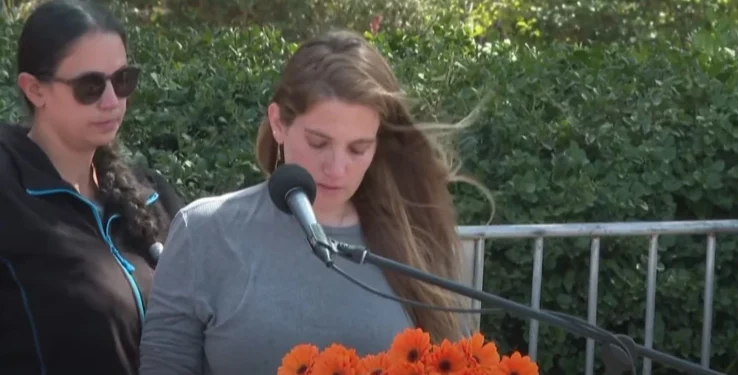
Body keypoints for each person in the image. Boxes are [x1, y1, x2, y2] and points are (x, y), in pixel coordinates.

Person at [139, 29, 491, 374]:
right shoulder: (204, 232)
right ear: (278, 123)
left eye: (358, 148)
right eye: (318, 142)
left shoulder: (416, 236)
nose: (336, 168)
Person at [0, 1, 184, 374]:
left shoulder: (151, 195)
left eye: (123, 80)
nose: (112, 101)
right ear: (35, 89)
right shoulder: (10, 192)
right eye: (90, 86)